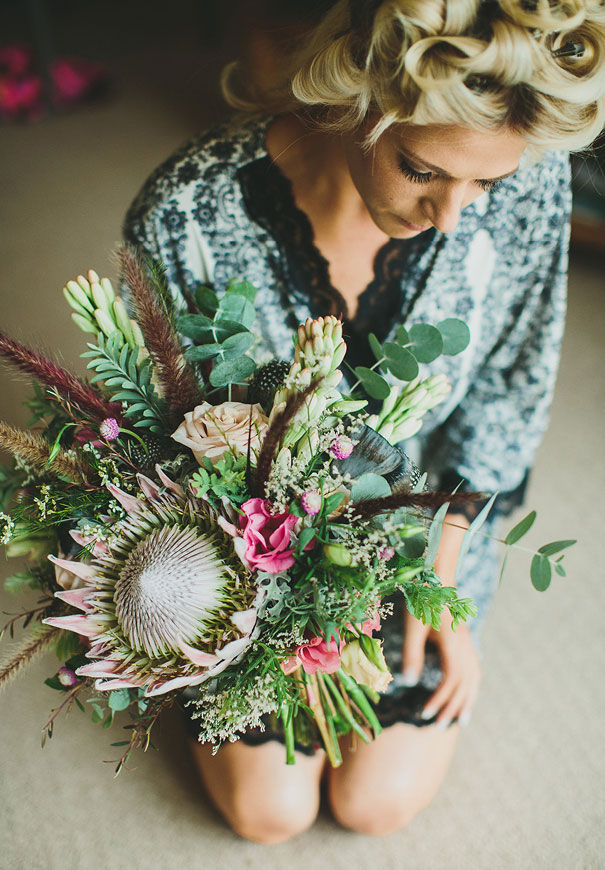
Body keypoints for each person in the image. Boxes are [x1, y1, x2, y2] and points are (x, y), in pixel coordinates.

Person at [123, 0, 605, 844]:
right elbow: (174, 447)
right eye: (421, 169)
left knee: (373, 803)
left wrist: (441, 584)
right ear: (355, 100)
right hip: (249, 544)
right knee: (266, 811)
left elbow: (504, 395)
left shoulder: (529, 183)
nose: (454, 213)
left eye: (483, 182)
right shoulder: (185, 213)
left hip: (426, 522)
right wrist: (290, 616)